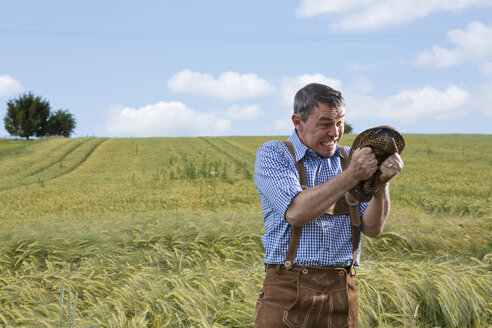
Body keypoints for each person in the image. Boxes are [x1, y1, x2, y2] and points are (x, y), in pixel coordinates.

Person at [253, 83, 404, 327]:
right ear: (297, 121)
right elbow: (296, 212)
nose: (335, 132)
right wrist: (352, 176)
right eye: (325, 124)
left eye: (340, 122)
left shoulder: (350, 158)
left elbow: (373, 229)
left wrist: (381, 184)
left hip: (342, 290)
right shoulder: (276, 154)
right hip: (286, 290)